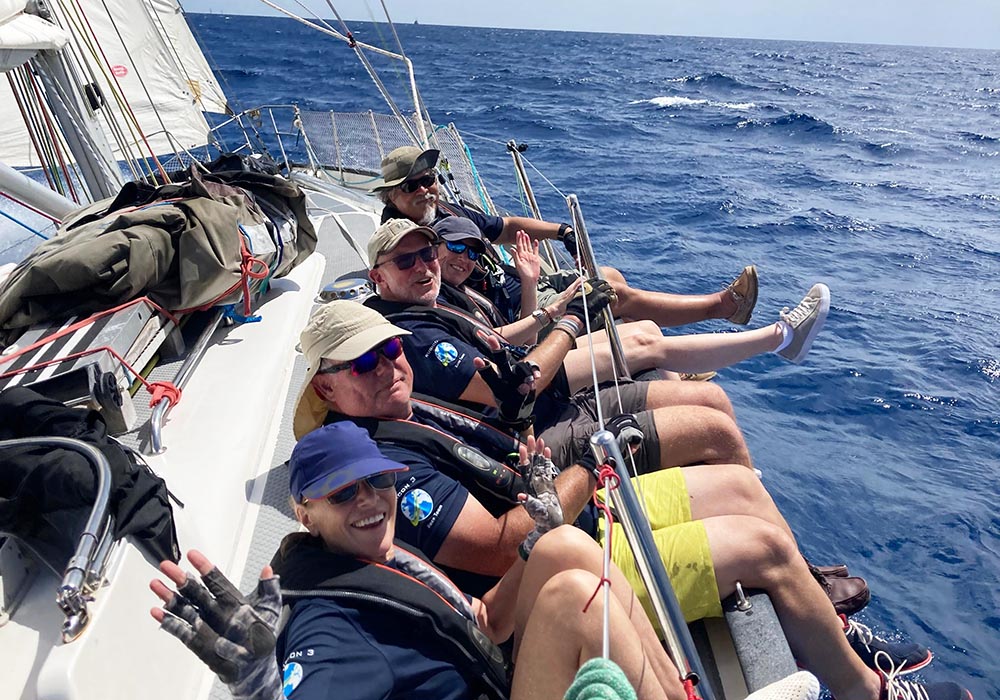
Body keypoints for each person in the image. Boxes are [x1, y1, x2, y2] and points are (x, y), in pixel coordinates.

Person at [284, 299, 986, 697]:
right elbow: (499, 551)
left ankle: (824, 621)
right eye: (365, 364)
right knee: (762, 544)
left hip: (566, 530)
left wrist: (541, 479)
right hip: (561, 570)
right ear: (326, 388)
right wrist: (584, 466)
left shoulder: (392, 427)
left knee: (738, 482)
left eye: (392, 351)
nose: (390, 367)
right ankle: (870, 691)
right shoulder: (384, 457)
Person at [151, 422, 697, 700]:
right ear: (305, 515)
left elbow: (484, 621)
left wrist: (534, 545)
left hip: (493, 669)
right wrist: (259, 686)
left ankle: (677, 689)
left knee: (566, 548)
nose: (368, 500)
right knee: (572, 601)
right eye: (341, 494)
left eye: (379, 480)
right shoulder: (326, 618)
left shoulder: (375, 552)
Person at [372, 145, 760, 328]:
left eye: (430, 179)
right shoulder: (408, 242)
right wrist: (527, 287)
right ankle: (722, 307)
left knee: (610, 275)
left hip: (519, 279)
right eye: (413, 186)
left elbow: (505, 227)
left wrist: (562, 232)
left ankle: (676, 354)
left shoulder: (447, 211)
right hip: (510, 303)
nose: (426, 189)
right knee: (614, 294)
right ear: (392, 196)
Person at [432, 215, 830, 380]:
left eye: (473, 251)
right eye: (454, 250)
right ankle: (775, 335)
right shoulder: (438, 306)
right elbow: (510, 345)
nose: (466, 260)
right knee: (640, 335)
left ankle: (766, 334)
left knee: (631, 312)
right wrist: (555, 310)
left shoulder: (450, 283)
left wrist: (538, 279)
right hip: (529, 376)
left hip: (527, 347)